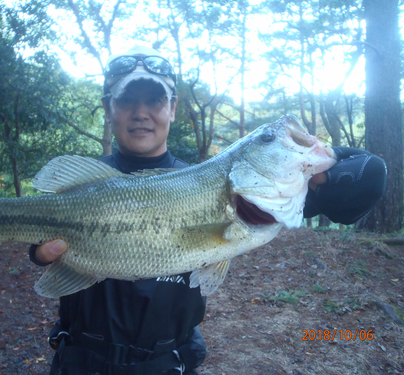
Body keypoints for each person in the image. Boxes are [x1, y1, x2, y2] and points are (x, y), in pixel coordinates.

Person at [30, 45, 387, 375]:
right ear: (109, 109)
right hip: (78, 361)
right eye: (127, 101)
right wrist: (40, 246)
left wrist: (343, 183)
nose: (141, 113)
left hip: (168, 363)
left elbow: (338, 201)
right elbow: (49, 256)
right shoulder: (79, 189)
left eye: (154, 100)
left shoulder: (229, 189)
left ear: (172, 108)